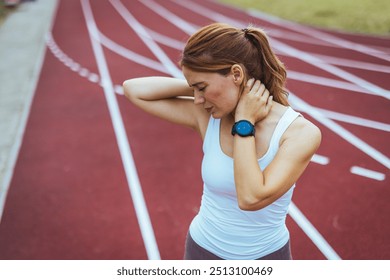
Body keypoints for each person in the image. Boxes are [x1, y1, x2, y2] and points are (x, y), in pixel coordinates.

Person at [123, 22, 321, 260]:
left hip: (264, 258)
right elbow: (133, 89)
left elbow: (250, 197)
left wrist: (244, 120)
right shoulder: (208, 117)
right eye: (193, 89)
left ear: (236, 74)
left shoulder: (299, 133)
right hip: (202, 249)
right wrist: (199, 86)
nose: (197, 99)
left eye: (202, 87)